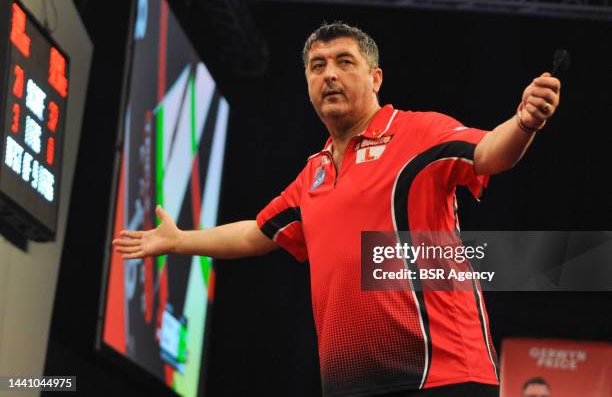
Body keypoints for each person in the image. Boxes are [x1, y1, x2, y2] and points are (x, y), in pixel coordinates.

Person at [114, 22, 561, 397]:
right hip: (353, 384)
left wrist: (525, 122)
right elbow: (257, 233)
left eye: (344, 62)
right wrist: (177, 240)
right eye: (317, 66)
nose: (329, 75)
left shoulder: (417, 132)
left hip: (443, 376)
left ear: (375, 78)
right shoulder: (314, 173)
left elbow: (489, 154)